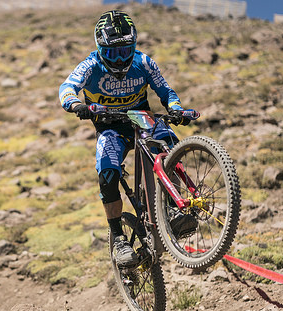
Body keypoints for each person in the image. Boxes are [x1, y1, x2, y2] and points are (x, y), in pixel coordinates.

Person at [59, 9, 196, 268]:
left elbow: (165, 91)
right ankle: (119, 239)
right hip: (110, 127)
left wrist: (176, 109)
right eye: (113, 53)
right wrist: (76, 105)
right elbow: (67, 88)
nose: (120, 59)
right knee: (107, 173)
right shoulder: (90, 66)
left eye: (125, 51)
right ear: (100, 49)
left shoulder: (144, 62)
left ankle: (173, 208)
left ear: (134, 46)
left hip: (142, 119)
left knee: (171, 146)